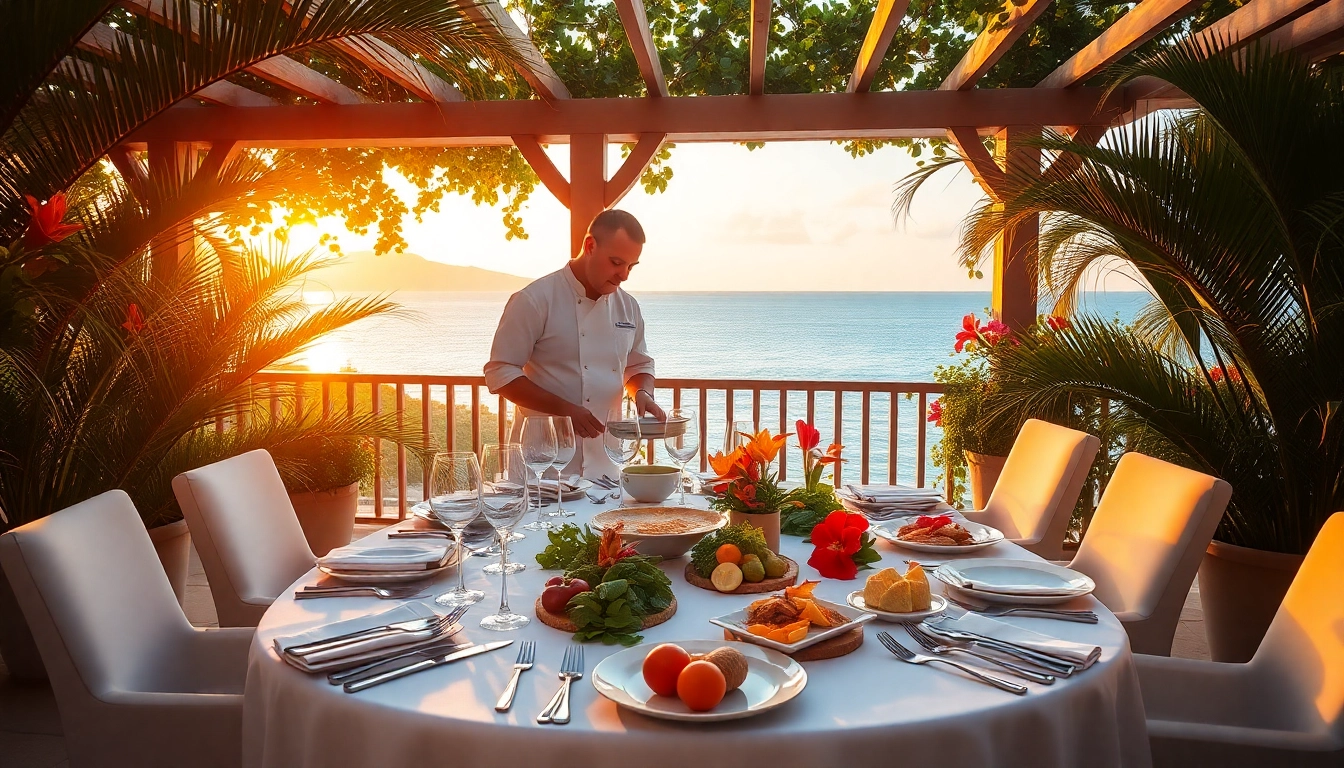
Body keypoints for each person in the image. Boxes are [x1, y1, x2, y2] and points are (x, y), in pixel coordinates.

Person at [485, 209, 665, 479]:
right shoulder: (535, 299)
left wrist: (642, 393)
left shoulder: (628, 307)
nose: (624, 275)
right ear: (590, 246)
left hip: (606, 466)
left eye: (631, 266)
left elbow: (638, 364)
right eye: (616, 263)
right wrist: (566, 410)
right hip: (543, 465)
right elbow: (500, 373)